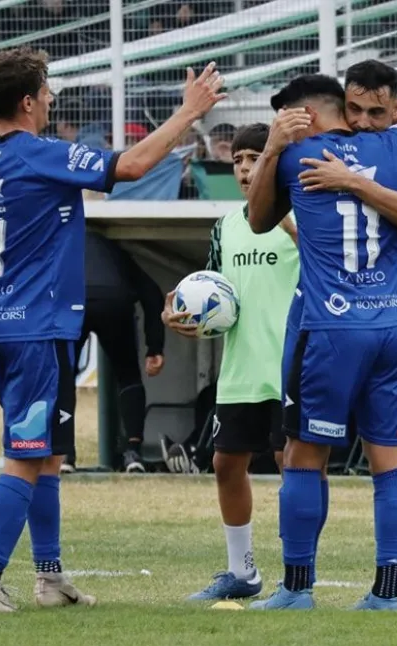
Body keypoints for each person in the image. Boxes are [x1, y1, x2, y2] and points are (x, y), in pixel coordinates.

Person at [0, 46, 225, 613]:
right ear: (26, 102)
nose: (50, 100)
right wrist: (188, 113)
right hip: (35, 329)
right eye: (44, 91)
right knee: (26, 454)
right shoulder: (43, 155)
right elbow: (134, 166)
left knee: (44, 454)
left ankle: (49, 578)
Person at [246, 73, 397, 611]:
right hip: (392, 326)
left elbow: (258, 220)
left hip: (330, 330)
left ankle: (296, 589)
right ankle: (387, 593)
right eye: (356, 110)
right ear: (343, 105)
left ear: (300, 114)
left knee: (304, 455)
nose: (363, 120)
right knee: (389, 460)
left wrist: (273, 146)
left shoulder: (298, 155)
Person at [161, 123, 299, 601]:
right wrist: (180, 310)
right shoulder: (226, 225)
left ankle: (297, 576)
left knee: (293, 467)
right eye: (238, 160)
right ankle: (242, 573)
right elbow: (212, 292)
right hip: (240, 369)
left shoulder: (304, 215)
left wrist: (289, 220)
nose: (244, 169)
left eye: (255, 159)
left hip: (289, 367)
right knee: (225, 463)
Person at [64, 231, 166, 474]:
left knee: (63, 380)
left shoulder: (63, 244)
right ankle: (133, 453)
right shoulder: (116, 252)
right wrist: (154, 348)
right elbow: (152, 293)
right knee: (128, 375)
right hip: (114, 297)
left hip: (75, 299)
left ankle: (65, 453)